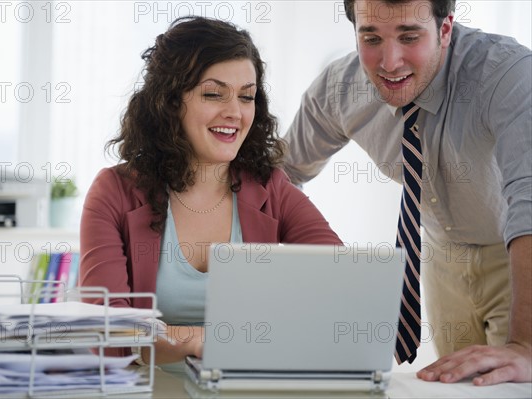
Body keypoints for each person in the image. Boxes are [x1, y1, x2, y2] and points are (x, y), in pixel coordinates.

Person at [283, 0, 531, 386]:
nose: (390, 62)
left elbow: (529, 199)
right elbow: (280, 175)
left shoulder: (508, 74)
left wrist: (525, 345)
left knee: (515, 384)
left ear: (445, 29)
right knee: (457, 388)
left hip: (517, 250)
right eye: (372, 38)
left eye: (409, 37)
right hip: (441, 253)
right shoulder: (339, 90)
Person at [79, 16, 342, 366]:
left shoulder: (271, 189)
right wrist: (199, 339)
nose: (234, 112)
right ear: (171, 101)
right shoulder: (114, 192)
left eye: (246, 97)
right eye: (214, 94)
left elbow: (342, 282)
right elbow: (109, 333)